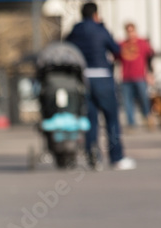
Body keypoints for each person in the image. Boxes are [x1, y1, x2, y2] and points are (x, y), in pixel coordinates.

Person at [66, 2, 135, 170]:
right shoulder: (100, 29)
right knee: (111, 118)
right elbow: (116, 49)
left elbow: (67, 48)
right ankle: (116, 157)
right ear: (96, 14)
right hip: (103, 78)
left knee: (90, 120)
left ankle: (92, 157)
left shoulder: (75, 31)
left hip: (83, 79)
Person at [118, 22, 155, 128]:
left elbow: (149, 58)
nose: (130, 33)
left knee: (144, 99)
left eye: (132, 31)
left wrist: (150, 74)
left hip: (140, 76)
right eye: (128, 31)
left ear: (135, 31)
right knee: (127, 101)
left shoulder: (142, 43)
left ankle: (148, 118)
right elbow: (116, 57)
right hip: (126, 77)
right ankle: (131, 123)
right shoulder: (122, 44)